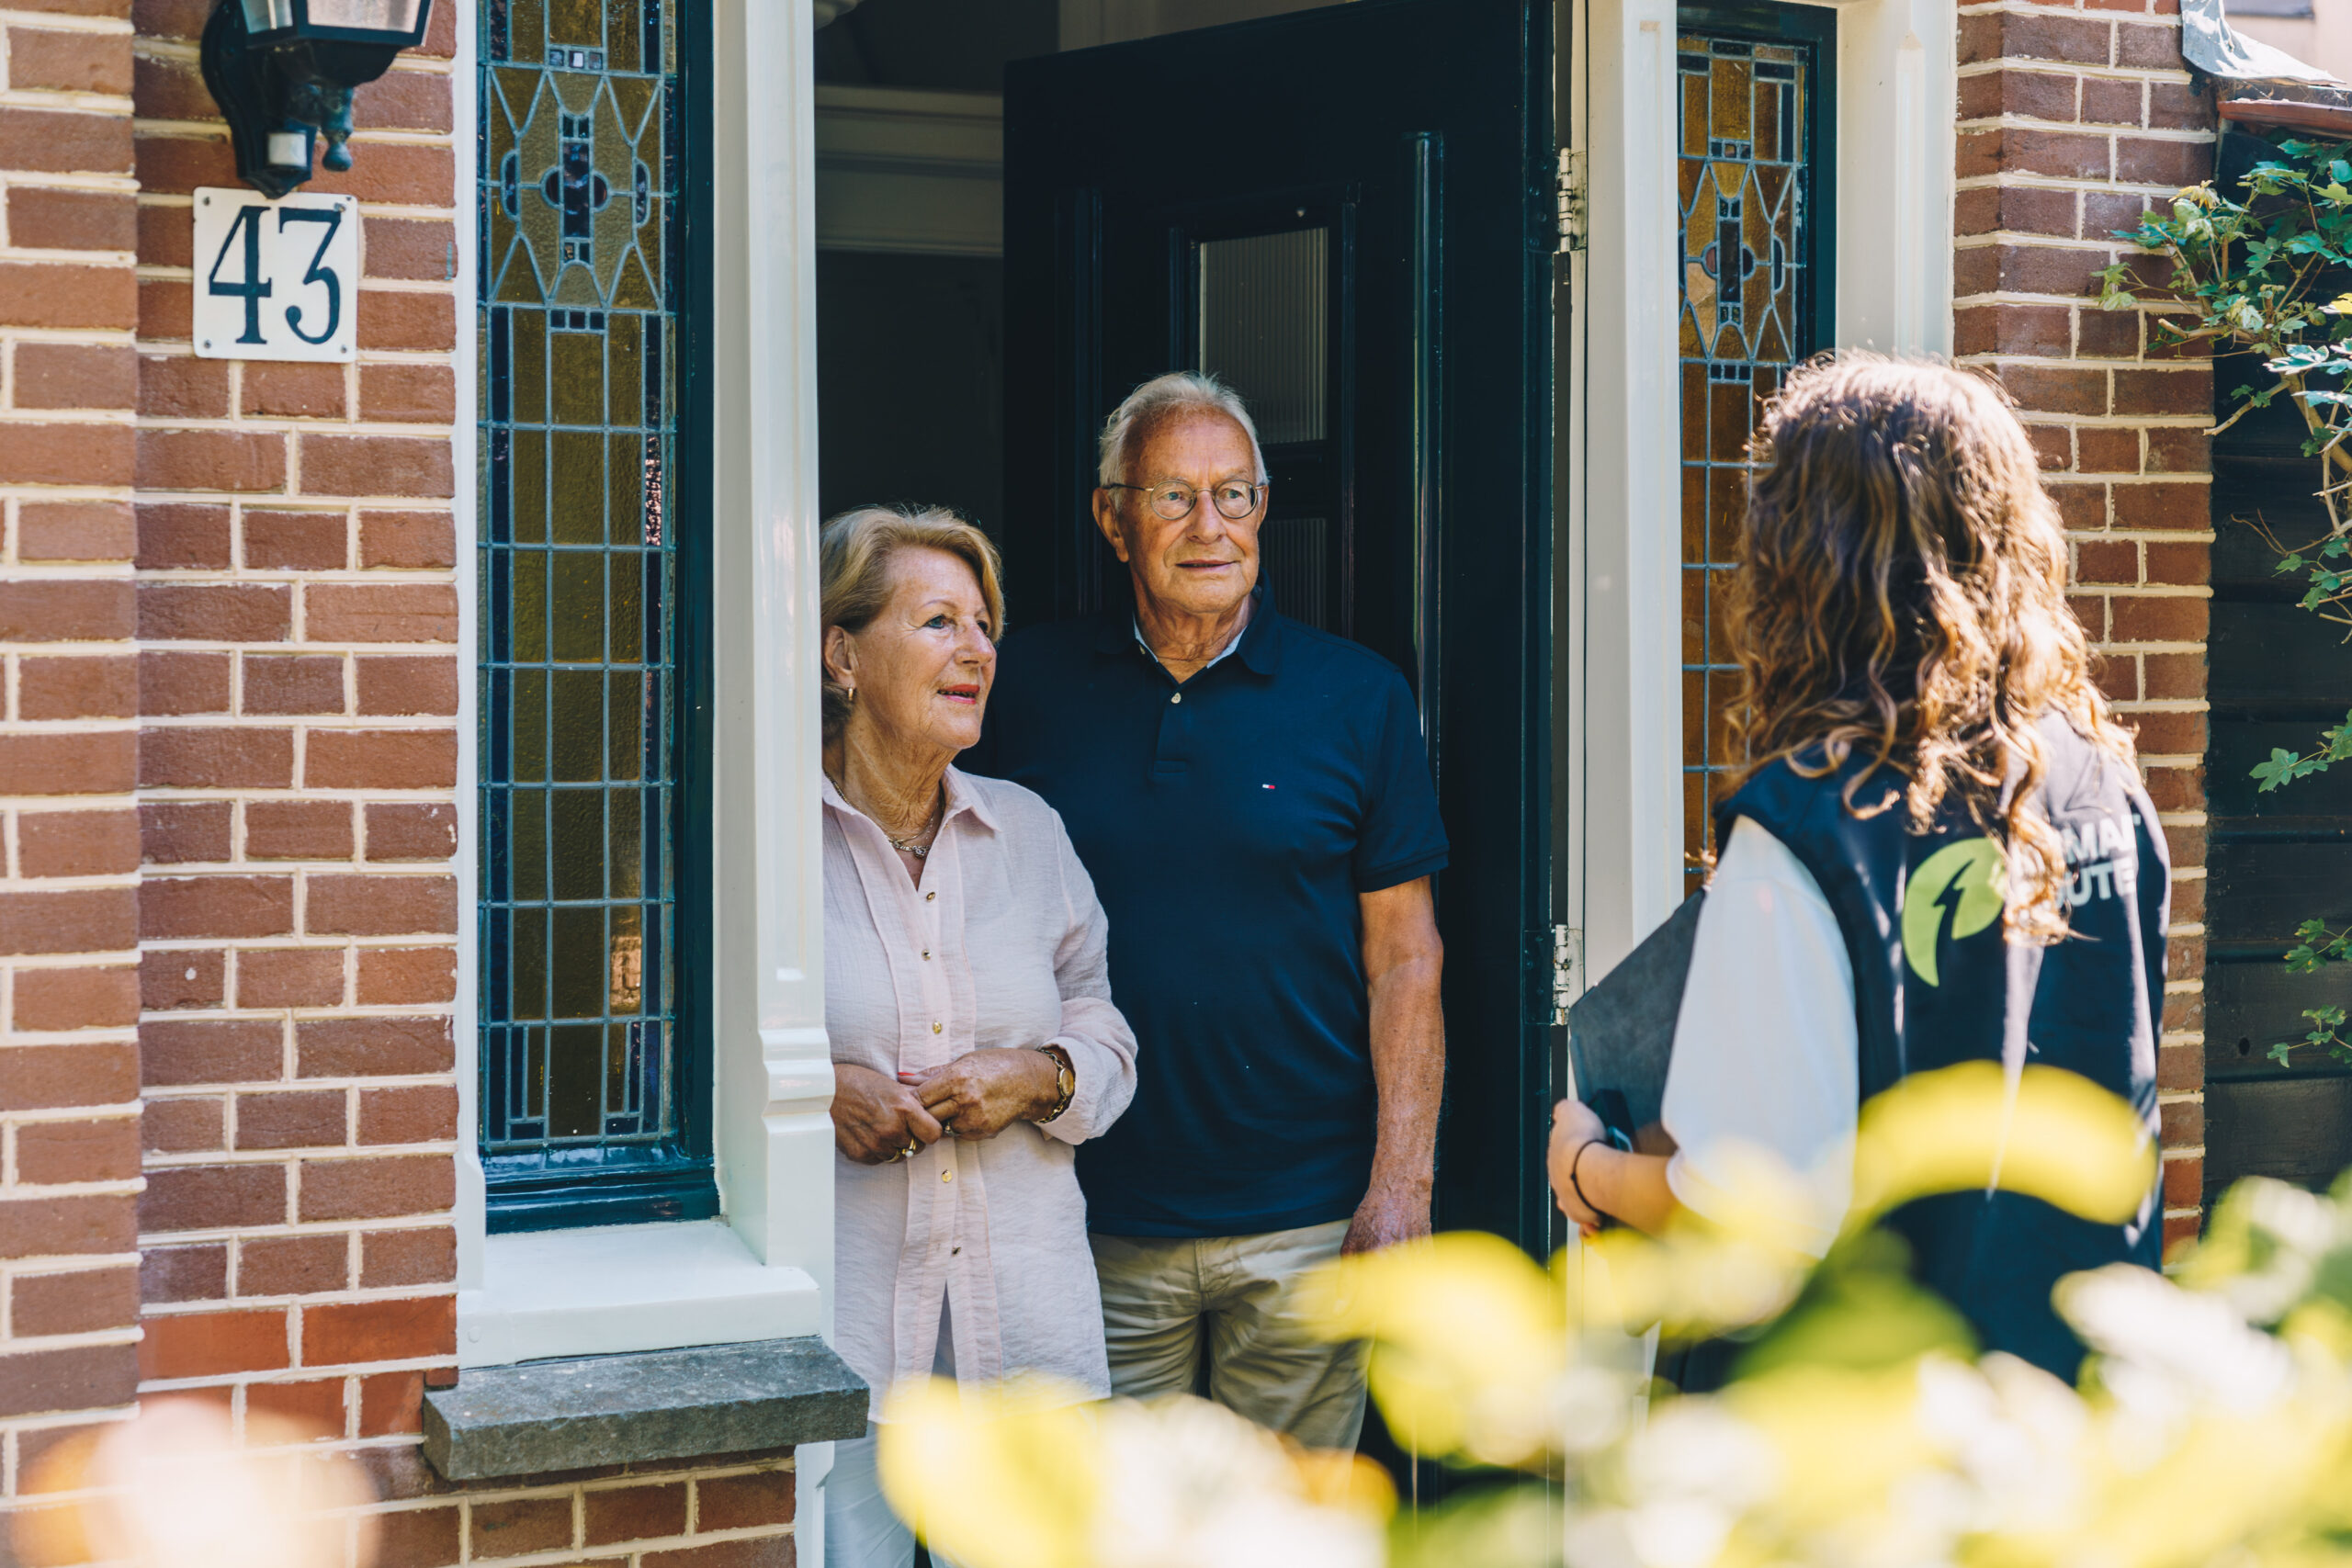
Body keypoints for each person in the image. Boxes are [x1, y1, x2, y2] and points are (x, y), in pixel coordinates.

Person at [1548, 354, 2167, 1382]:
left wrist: (1590, 1167)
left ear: (1800, 559)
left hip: (1859, 1438)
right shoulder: (2103, 788)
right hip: (2062, 1415)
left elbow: (1750, 1221)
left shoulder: (1807, 827)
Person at [963, 372, 1448, 1450]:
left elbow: (1405, 959)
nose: (1208, 526)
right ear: (1113, 517)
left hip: (1305, 1221)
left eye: (1234, 496)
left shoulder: (1358, 697)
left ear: (1264, 511)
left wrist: (1399, 1187)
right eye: (1173, 496)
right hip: (1085, 1209)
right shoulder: (1023, 686)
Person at [818, 505, 1139, 1567]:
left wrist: (1039, 1076)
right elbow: (689, 1045)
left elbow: (1103, 1024)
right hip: (846, 1345)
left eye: (983, 625)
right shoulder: (771, 840)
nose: (976, 651)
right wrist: (819, 1090)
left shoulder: (1028, 832)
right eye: (937, 622)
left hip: (1029, 1346)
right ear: (842, 654)